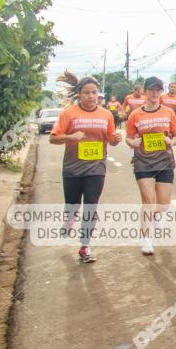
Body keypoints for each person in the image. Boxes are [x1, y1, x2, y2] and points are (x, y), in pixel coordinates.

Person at [50, 71, 122, 263]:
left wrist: (115, 139)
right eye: (87, 93)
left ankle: (85, 246)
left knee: (91, 206)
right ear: (79, 94)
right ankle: (69, 220)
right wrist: (69, 137)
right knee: (72, 206)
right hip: (72, 168)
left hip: (96, 168)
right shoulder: (68, 114)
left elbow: (111, 139)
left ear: (99, 94)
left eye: (94, 92)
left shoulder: (106, 114)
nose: (91, 96)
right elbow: (53, 138)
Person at [125, 77, 176, 255]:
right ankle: (147, 240)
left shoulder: (168, 112)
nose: (155, 92)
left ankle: (158, 215)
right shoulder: (135, 114)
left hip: (164, 162)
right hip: (143, 162)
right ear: (145, 92)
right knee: (148, 202)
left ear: (161, 91)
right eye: (151, 89)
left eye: (158, 89)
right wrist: (132, 143)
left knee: (163, 205)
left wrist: (171, 141)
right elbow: (129, 137)